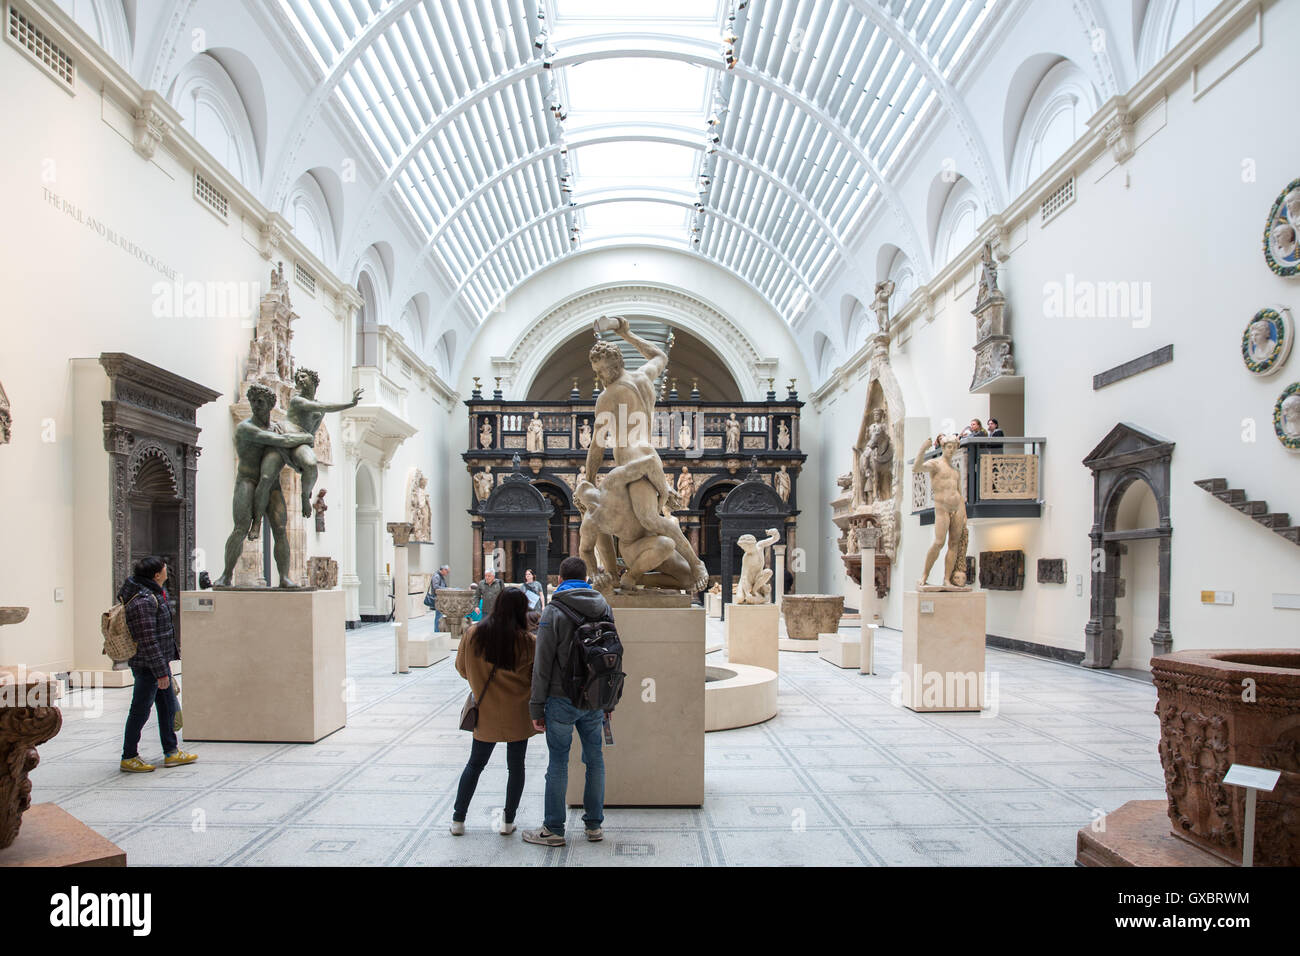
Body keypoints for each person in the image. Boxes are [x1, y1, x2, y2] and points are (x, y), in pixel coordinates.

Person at [523, 555, 611, 846]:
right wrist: (607, 701)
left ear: (559, 579)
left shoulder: (553, 610)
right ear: (586, 578)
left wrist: (536, 707)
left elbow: (542, 664)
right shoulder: (603, 606)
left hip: (561, 698)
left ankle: (554, 830)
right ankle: (594, 826)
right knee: (595, 759)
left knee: (558, 762)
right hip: (595, 697)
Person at [450, 588, 537, 835]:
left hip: (485, 711)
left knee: (475, 764)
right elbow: (534, 679)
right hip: (517, 713)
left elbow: (462, 669)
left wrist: (479, 680)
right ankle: (507, 822)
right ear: (522, 611)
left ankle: (458, 820)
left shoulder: (473, 634)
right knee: (516, 767)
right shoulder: (529, 641)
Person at [119, 556, 197, 773]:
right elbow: (147, 640)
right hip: (148, 667)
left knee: (167, 708)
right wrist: (161, 672)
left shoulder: (154, 594)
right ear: (156, 575)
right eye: (164, 569)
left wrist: (164, 668)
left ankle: (171, 752)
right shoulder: (143, 601)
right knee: (140, 711)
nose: (167, 571)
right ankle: (129, 756)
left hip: (158, 664)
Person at [428, 564, 450, 630]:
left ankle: (438, 630)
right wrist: (446, 589)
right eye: (447, 572)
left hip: (441, 598)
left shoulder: (441, 576)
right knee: (438, 617)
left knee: (440, 616)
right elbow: (436, 587)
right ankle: (437, 631)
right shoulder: (436, 576)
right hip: (438, 598)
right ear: (443, 570)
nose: (447, 573)